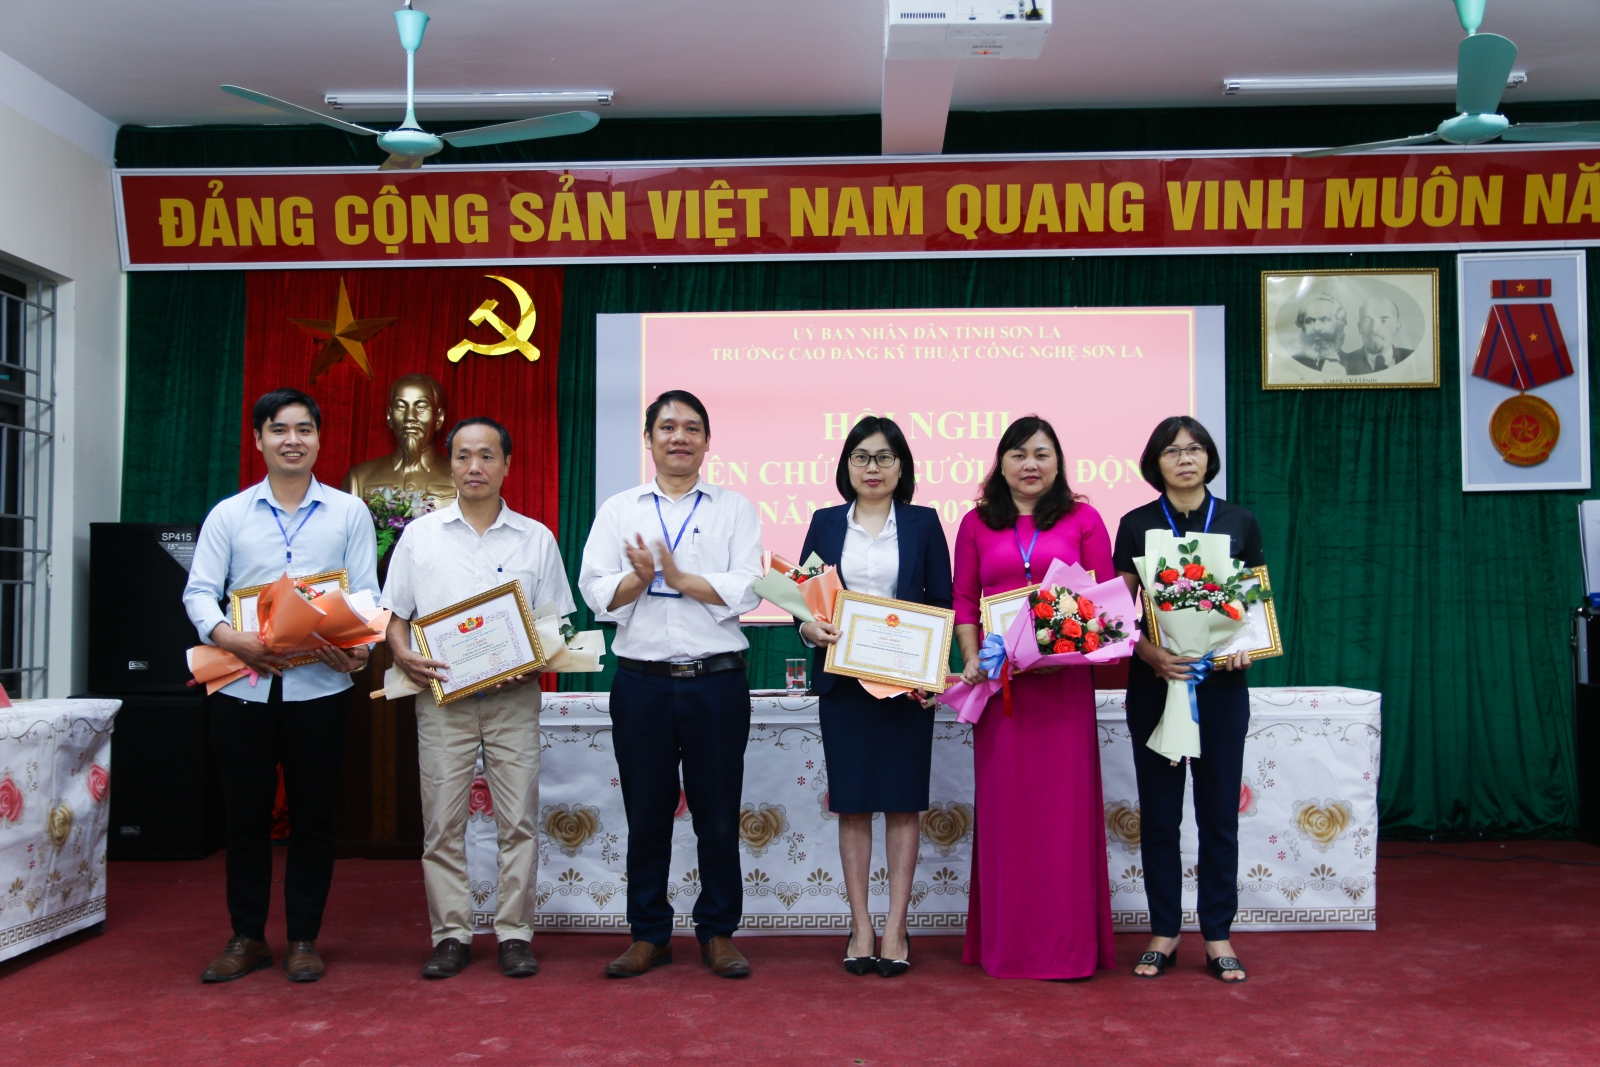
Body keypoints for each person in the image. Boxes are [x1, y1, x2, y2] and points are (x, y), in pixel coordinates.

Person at [182, 388, 379, 984]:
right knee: (244, 818)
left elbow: (366, 594)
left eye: (303, 430)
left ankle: (302, 939)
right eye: (279, 429)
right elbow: (199, 591)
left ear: (318, 439)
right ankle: (246, 937)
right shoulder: (229, 513)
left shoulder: (349, 512)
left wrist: (360, 650)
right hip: (241, 688)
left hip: (320, 690)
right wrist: (228, 636)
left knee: (314, 819)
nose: (292, 440)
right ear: (258, 440)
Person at [578, 390, 763, 979]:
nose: (678, 437)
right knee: (647, 815)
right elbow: (595, 590)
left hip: (716, 682)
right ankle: (649, 934)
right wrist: (637, 582)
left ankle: (718, 933)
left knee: (718, 815)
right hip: (643, 684)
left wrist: (680, 578)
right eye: (667, 427)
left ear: (707, 441)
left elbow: (749, 588)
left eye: (691, 428)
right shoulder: (619, 510)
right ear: (649, 439)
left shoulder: (734, 508)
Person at [382, 417, 575, 980]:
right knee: (442, 824)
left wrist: (532, 658)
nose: (475, 467)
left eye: (487, 456)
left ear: (507, 465)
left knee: (519, 821)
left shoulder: (536, 538)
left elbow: (556, 624)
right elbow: (395, 617)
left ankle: (514, 934)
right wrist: (402, 653)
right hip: (441, 700)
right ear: (451, 464)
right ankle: (451, 935)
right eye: (464, 456)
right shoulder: (420, 537)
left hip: (514, 700)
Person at [952, 415, 1116, 980]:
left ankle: (1068, 947)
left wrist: (1063, 646)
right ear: (1001, 464)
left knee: (1062, 821)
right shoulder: (976, 523)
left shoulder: (1083, 518)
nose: (1030, 464)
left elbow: (1104, 599)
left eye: (1042, 454)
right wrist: (972, 658)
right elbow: (965, 600)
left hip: (1063, 691)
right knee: (1010, 820)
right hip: (1003, 692)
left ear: (1058, 463)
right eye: (1019, 454)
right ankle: (1010, 945)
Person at [795, 416, 952, 978]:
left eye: (885, 457)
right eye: (861, 457)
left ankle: (895, 927)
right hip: (844, 687)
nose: (873, 468)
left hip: (905, 688)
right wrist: (808, 628)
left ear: (901, 466)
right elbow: (803, 600)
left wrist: (933, 672)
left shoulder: (923, 523)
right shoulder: (824, 522)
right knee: (854, 803)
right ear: (846, 465)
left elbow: (942, 601)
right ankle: (861, 925)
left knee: (903, 804)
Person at [1112, 416, 1263, 984]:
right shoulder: (1136, 524)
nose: (1185, 459)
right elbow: (1117, 614)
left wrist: (1245, 649)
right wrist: (1149, 653)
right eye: (1172, 451)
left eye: (1195, 449)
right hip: (1154, 688)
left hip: (1220, 690)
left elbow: (1254, 605)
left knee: (1219, 816)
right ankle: (1164, 932)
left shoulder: (1239, 521)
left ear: (1209, 459)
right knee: (1160, 817)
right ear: (1156, 463)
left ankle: (1218, 934)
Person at [343, 373, 457, 505]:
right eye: (401, 407)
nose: (409, 417)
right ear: (389, 417)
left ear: (439, 418)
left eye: (421, 407)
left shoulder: (460, 476)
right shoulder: (359, 478)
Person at [1289, 294, 1350, 374]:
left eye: (1324, 319)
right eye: (1309, 321)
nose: (1317, 328)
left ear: (1339, 323)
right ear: (1303, 326)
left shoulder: (1354, 363)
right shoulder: (1291, 363)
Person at [1353, 298, 1413, 372]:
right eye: (1366, 321)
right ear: (1359, 327)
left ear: (1397, 327)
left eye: (1384, 321)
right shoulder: (1343, 364)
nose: (1374, 329)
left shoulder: (1414, 358)